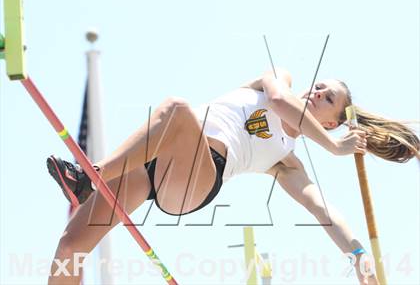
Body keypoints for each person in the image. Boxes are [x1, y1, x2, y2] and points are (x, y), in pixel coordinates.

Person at [46, 68, 419, 284]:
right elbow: (278, 101)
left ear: (331, 123)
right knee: (70, 247)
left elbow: (323, 211)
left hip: (195, 179)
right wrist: (334, 146)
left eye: (328, 98)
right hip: (150, 162)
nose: (317, 92)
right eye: (319, 86)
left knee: (176, 109)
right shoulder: (277, 80)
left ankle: (90, 176)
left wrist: (357, 254)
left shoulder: (287, 161)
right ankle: (90, 177)